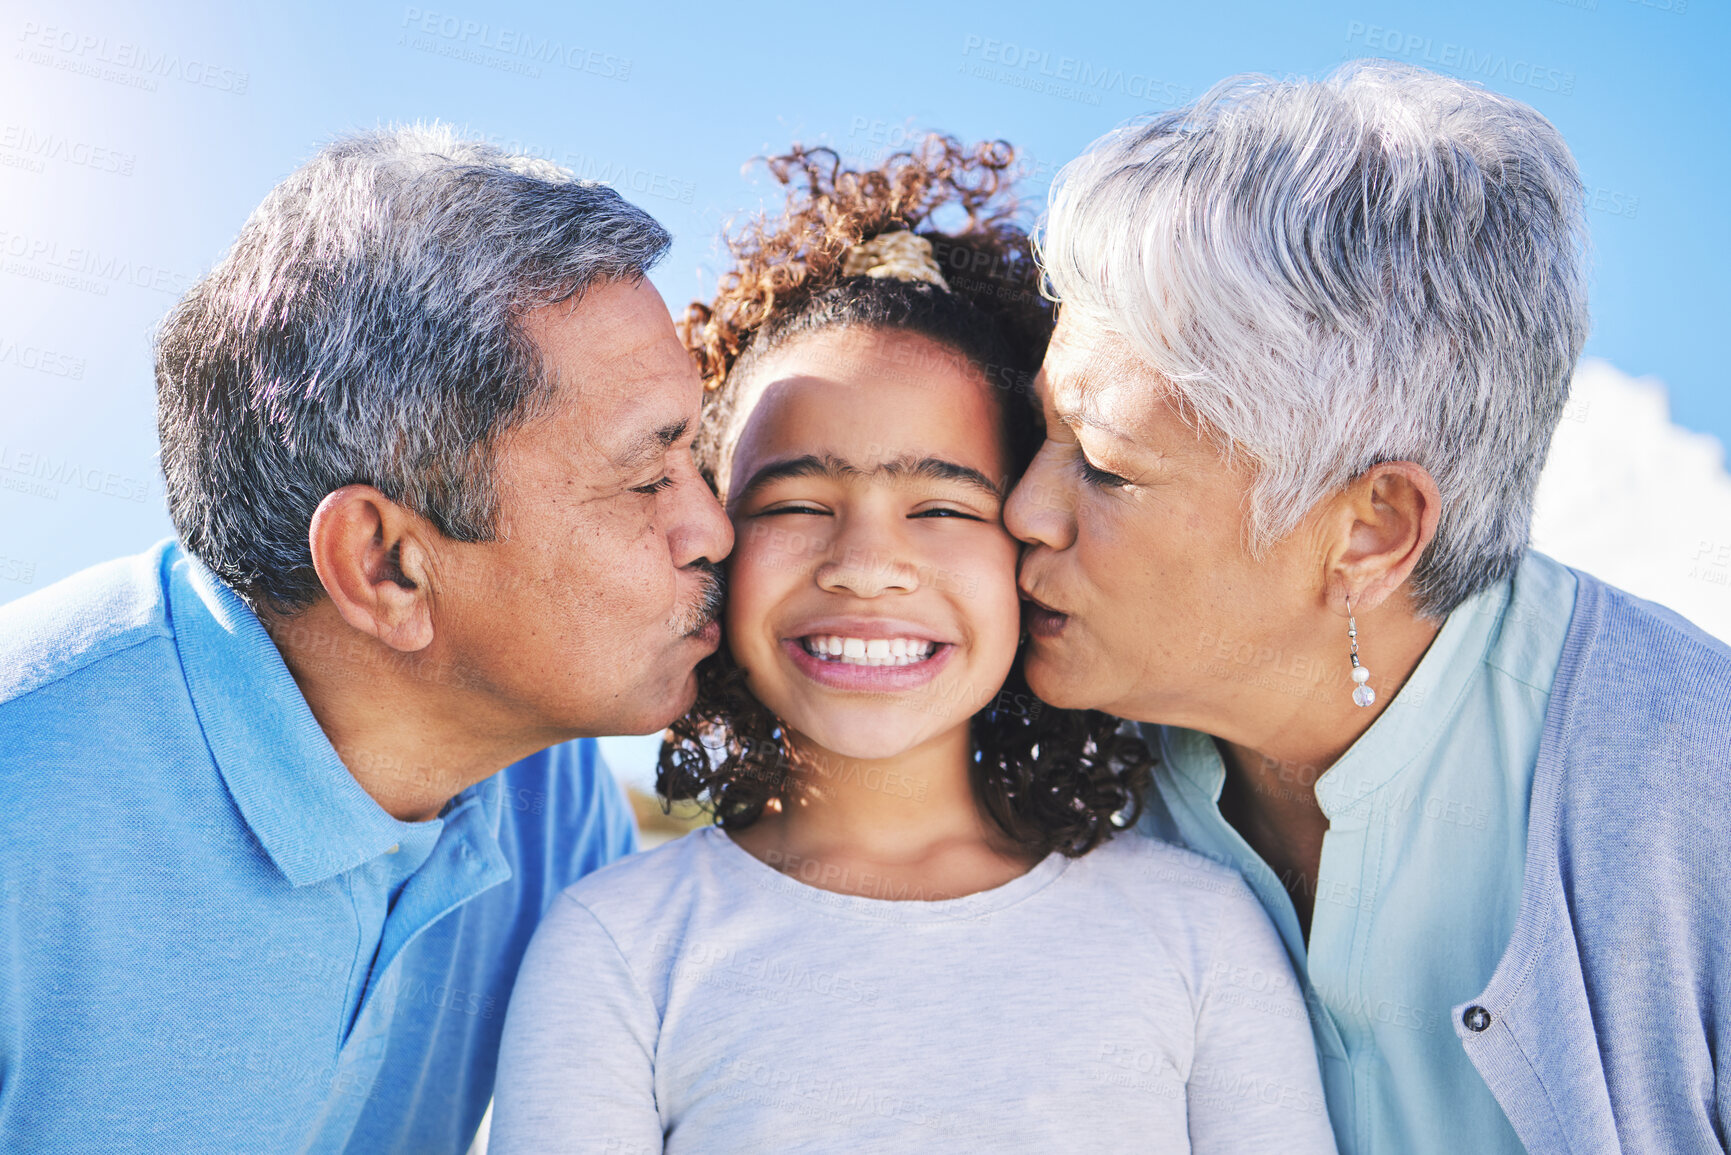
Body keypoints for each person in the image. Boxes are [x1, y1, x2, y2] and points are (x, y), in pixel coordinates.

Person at [490, 138, 1337, 1154]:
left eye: (940, 506)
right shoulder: (618, 948)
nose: (865, 564)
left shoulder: (1199, 931)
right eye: (799, 501)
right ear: (716, 538)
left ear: (1028, 533)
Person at [1006, 60, 1731, 1155]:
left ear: (1372, 530)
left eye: (1104, 468)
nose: (1023, 508)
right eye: (1039, 438)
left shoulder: (1696, 782)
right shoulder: (1040, 774)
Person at [0, 125, 732, 1153]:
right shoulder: (22, 797)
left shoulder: (549, 800)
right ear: (387, 566)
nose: (713, 530)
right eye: (650, 476)